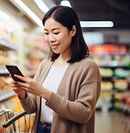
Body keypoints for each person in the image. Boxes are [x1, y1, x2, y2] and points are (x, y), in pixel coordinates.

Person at [11, 5, 101, 133]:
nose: (50, 39)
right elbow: (32, 108)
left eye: (56, 32)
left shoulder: (88, 67)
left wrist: (44, 93)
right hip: (39, 129)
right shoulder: (46, 64)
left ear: (73, 31)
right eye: (46, 33)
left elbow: (84, 113)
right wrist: (22, 93)